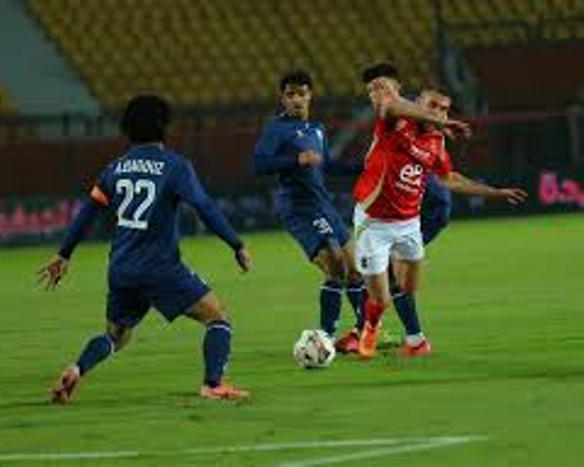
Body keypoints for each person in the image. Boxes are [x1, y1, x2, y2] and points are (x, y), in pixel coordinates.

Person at [38, 95, 252, 402]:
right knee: (218, 318)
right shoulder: (175, 166)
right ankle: (213, 384)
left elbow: (88, 211)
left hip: (122, 269)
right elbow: (203, 206)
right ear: (164, 126)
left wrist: (64, 254)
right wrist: (236, 244)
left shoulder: (115, 168)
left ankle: (77, 368)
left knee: (115, 337)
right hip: (160, 268)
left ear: (127, 129)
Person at [352, 67, 526, 359]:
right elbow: (389, 103)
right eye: (432, 105)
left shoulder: (436, 141)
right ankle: (370, 328)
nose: (439, 113)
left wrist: (495, 192)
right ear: (418, 102)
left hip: (409, 224)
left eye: (444, 109)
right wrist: (438, 120)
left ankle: (414, 341)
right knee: (381, 298)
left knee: (407, 287)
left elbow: (449, 178)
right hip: (374, 223)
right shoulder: (395, 121)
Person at [252, 69, 366, 340]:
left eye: (301, 94)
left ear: (310, 95)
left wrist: (363, 167)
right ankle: (326, 335)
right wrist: (295, 160)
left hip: (324, 205)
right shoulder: (276, 128)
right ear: (283, 98)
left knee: (354, 271)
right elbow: (258, 163)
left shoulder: (317, 129)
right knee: (335, 263)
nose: (296, 99)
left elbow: (328, 166)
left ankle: (366, 332)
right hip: (299, 207)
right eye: (290, 94)